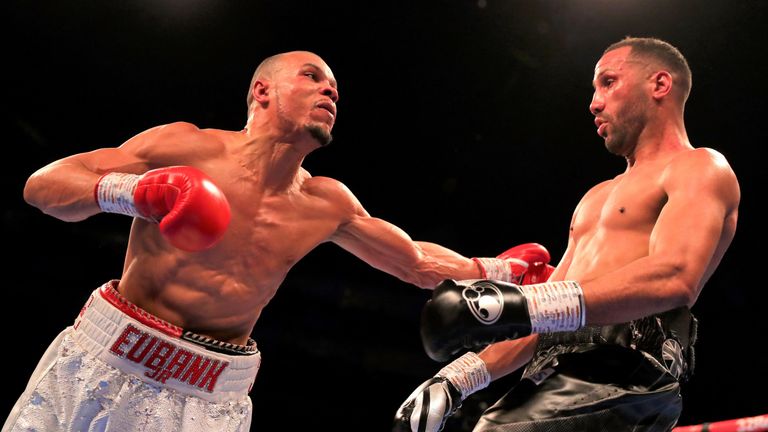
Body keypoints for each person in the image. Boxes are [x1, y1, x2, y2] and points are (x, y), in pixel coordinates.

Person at [3, 50, 553, 432]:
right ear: (262, 91)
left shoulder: (327, 202)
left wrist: (499, 272)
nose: (329, 90)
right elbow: (42, 186)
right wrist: (136, 192)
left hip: (208, 397)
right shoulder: (185, 146)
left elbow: (416, 263)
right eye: (312, 77)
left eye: (333, 87)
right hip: (106, 362)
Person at [393, 37, 740, 432]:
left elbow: (676, 277)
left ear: (660, 85)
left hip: (624, 368)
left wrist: (516, 304)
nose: (594, 102)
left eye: (608, 82)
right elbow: (545, 317)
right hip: (558, 369)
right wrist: (456, 379)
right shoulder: (595, 199)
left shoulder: (699, 166)